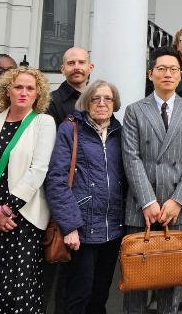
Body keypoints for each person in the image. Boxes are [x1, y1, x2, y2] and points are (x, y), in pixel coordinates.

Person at [0, 67, 56, 313]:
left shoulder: (44, 123)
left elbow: (38, 169)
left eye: (30, 88)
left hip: (23, 221)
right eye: (18, 87)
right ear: (7, 91)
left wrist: (7, 208)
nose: (23, 92)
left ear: (38, 94)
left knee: (17, 291)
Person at [122, 47, 182, 314]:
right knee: (136, 281)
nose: (167, 74)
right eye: (161, 69)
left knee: (171, 282)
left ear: (180, 76)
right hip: (142, 206)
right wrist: (148, 201)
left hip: (177, 206)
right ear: (151, 74)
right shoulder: (135, 111)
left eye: (173, 70)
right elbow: (131, 157)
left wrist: (177, 200)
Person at [45, 79, 125, 314]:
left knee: (100, 295)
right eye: (95, 98)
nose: (102, 103)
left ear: (114, 103)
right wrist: (69, 225)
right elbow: (57, 179)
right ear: (86, 102)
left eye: (107, 99)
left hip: (113, 228)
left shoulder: (119, 132)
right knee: (78, 295)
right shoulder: (71, 129)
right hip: (82, 229)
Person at [48, 47, 94, 125]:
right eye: (71, 63)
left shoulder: (100, 98)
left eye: (81, 62)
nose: (76, 67)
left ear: (90, 68)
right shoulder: (50, 101)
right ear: (63, 69)